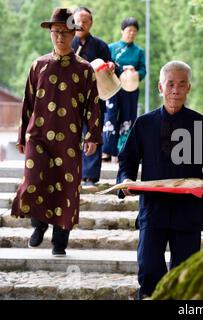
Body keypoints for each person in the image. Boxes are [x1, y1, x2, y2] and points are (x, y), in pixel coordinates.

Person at [117, 61, 203, 299]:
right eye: (171, 84)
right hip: (153, 209)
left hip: (188, 212)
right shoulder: (144, 123)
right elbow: (127, 161)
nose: (176, 89)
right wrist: (127, 180)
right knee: (148, 268)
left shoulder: (200, 124)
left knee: (184, 274)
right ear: (160, 87)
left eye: (181, 84)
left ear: (189, 88)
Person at [11, 8, 102, 256]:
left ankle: (59, 242)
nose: (59, 37)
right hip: (38, 137)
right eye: (55, 32)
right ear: (50, 33)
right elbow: (27, 102)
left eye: (64, 32)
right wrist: (21, 137)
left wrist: (93, 135)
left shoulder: (84, 70)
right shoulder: (38, 65)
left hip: (69, 140)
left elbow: (93, 105)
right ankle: (38, 225)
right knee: (33, 182)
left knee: (66, 188)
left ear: (73, 33)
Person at [72, 6, 111, 190]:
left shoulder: (100, 46)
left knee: (93, 133)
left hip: (95, 97)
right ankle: (73, 173)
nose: (81, 24)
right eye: (78, 21)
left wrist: (111, 67)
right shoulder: (66, 43)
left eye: (85, 21)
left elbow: (112, 68)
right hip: (71, 98)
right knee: (71, 134)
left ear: (91, 23)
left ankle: (91, 177)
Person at [102, 17, 146, 162]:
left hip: (130, 88)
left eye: (134, 31)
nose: (132, 33)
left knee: (128, 118)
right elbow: (105, 66)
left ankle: (123, 150)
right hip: (113, 87)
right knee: (110, 115)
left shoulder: (139, 51)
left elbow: (143, 70)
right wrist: (118, 69)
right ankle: (107, 150)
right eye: (129, 30)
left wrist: (134, 72)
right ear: (122, 31)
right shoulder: (111, 48)